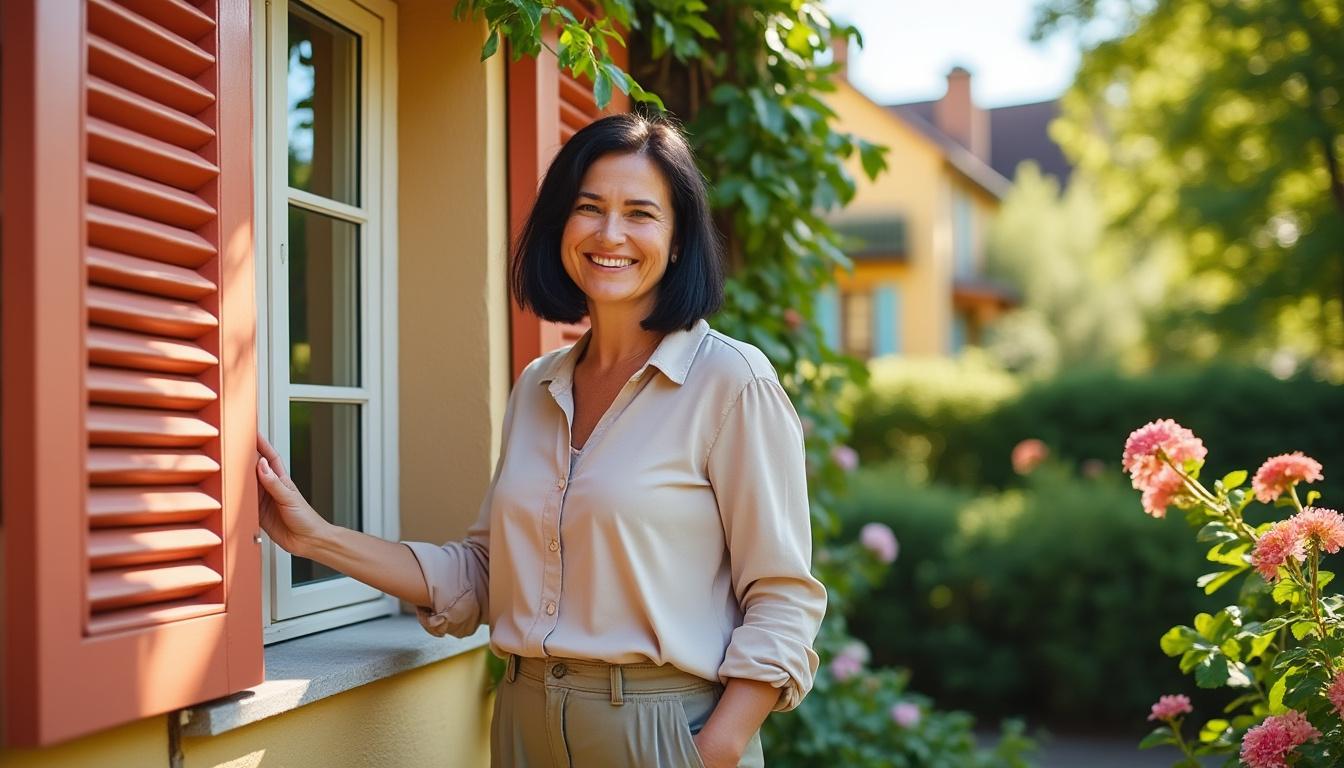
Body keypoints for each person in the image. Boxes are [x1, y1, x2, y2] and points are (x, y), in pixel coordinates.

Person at [256, 112, 826, 768]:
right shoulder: (537, 386)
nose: (610, 233)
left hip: (666, 732)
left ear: (677, 242)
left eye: (640, 213)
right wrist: (313, 538)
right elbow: (485, 573)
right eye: (589, 207)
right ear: (562, 225)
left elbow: (782, 596)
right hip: (525, 726)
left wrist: (715, 749)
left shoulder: (730, 381)